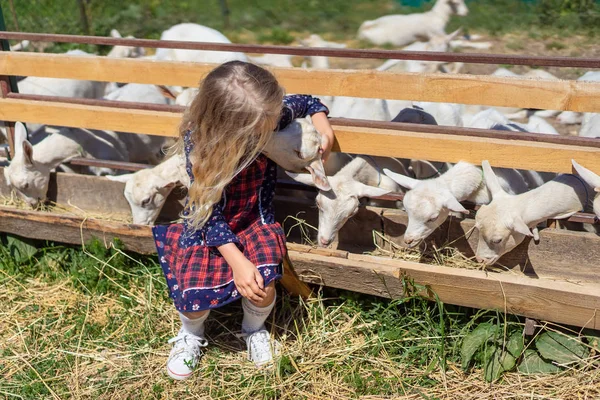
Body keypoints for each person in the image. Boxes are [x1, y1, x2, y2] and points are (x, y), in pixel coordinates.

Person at [153, 60, 335, 380]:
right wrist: (236, 260)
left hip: (254, 219)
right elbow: (206, 210)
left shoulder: (265, 114)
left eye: (270, 122)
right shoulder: (201, 146)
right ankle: (191, 334)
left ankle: (253, 329)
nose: (269, 130)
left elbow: (307, 101)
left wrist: (323, 126)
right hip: (209, 223)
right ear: (228, 125)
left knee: (261, 287)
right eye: (260, 128)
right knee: (193, 297)